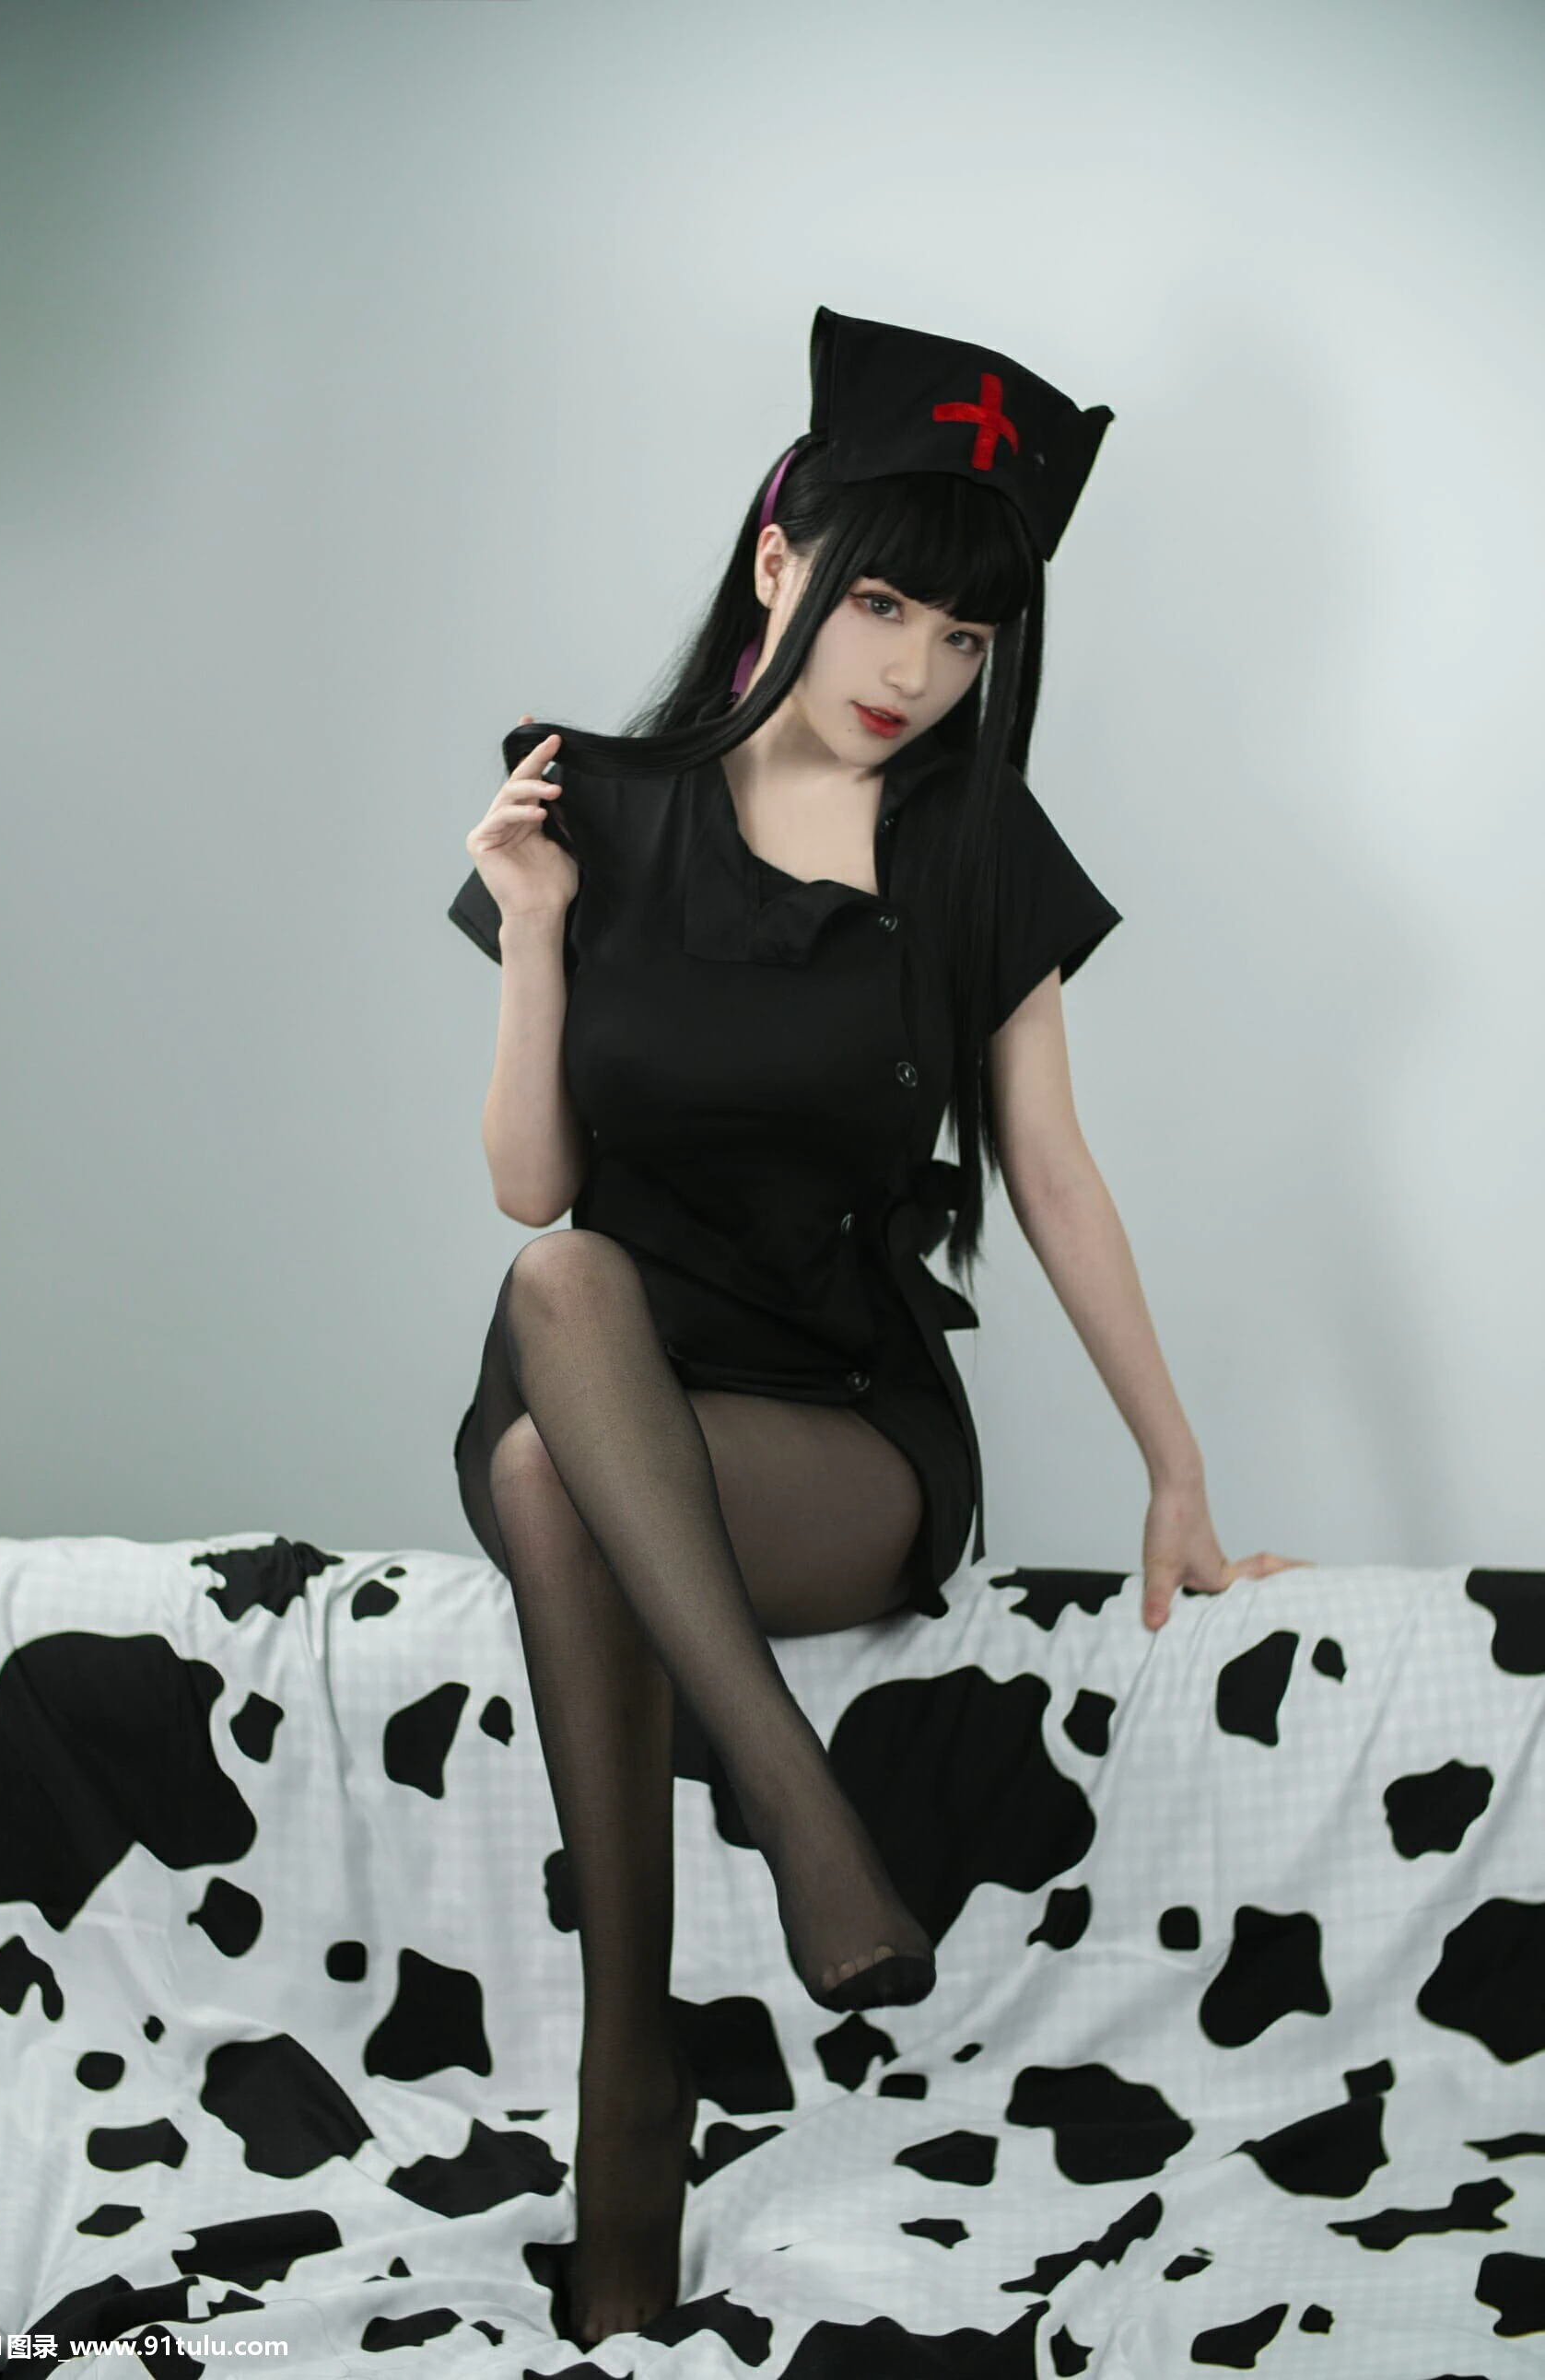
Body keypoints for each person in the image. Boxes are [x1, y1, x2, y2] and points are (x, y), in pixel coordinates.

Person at [445, 305, 1309, 2349]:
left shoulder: (975, 841)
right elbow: (530, 1187)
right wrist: (539, 933)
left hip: (834, 1422)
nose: (912, 669)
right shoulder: (595, 805)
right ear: (780, 562)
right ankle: (773, 1853)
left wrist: (1176, 1472)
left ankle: (637, 2071)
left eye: (963, 635)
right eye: (882, 602)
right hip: (606, 1367)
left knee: (554, 1476)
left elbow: (1054, 1172)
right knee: (563, 1308)